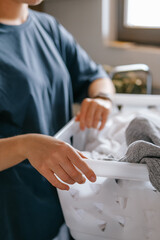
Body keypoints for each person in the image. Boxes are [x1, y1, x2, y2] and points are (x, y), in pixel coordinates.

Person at [0, 0, 115, 239]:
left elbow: (96, 76)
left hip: (64, 199)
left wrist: (102, 98)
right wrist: (25, 145)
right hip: (13, 210)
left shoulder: (47, 27)